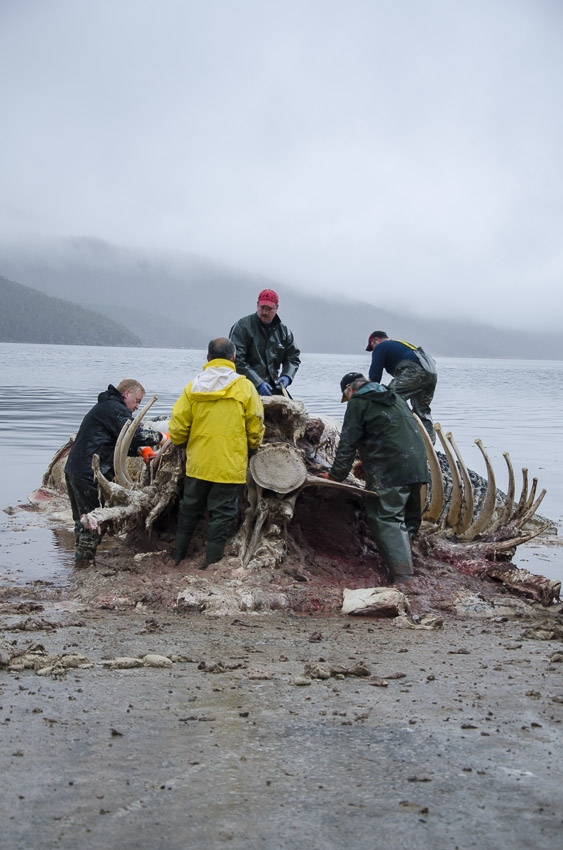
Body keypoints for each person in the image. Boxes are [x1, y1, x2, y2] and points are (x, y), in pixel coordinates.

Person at [318, 372, 429, 584]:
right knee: (408, 518)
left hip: (391, 471)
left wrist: (336, 476)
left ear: (350, 389)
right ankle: (406, 563)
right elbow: (390, 433)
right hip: (417, 466)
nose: (348, 401)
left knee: (385, 516)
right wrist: (367, 462)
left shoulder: (358, 402)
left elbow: (348, 442)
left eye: (346, 396)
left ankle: (404, 578)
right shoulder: (395, 397)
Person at [170, 337, 265, 568]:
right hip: (229, 464)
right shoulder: (245, 387)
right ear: (233, 358)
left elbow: (178, 426)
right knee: (222, 514)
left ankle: (178, 556)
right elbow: (256, 423)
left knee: (189, 509)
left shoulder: (193, 386)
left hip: (198, 463)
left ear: (208, 358)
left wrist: (183, 443)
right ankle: (211, 562)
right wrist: (252, 447)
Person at [65, 380, 164, 563]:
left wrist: (141, 451)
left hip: (74, 469)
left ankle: (80, 562)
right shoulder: (115, 408)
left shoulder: (106, 407)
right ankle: (84, 565)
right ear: (126, 394)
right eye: (137, 401)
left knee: (82, 521)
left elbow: (116, 441)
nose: (137, 407)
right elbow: (133, 435)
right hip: (89, 472)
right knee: (93, 523)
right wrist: (161, 437)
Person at [365, 331, 437, 444]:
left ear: (376, 340)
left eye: (372, 347)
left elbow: (374, 377)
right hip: (431, 370)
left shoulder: (381, 346)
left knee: (388, 399)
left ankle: (386, 441)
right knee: (422, 410)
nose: (373, 350)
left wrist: (366, 395)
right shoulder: (400, 344)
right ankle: (428, 447)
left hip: (414, 369)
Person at [229, 288, 301, 396]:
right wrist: (257, 382)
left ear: (276, 308)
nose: (265, 312)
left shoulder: (284, 332)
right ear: (257, 305)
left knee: (293, 411)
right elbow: (236, 359)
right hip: (245, 386)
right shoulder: (242, 327)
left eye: (269, 309)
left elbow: (293, 358)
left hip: (273, 386)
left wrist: (287, 376)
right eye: (262, 308)